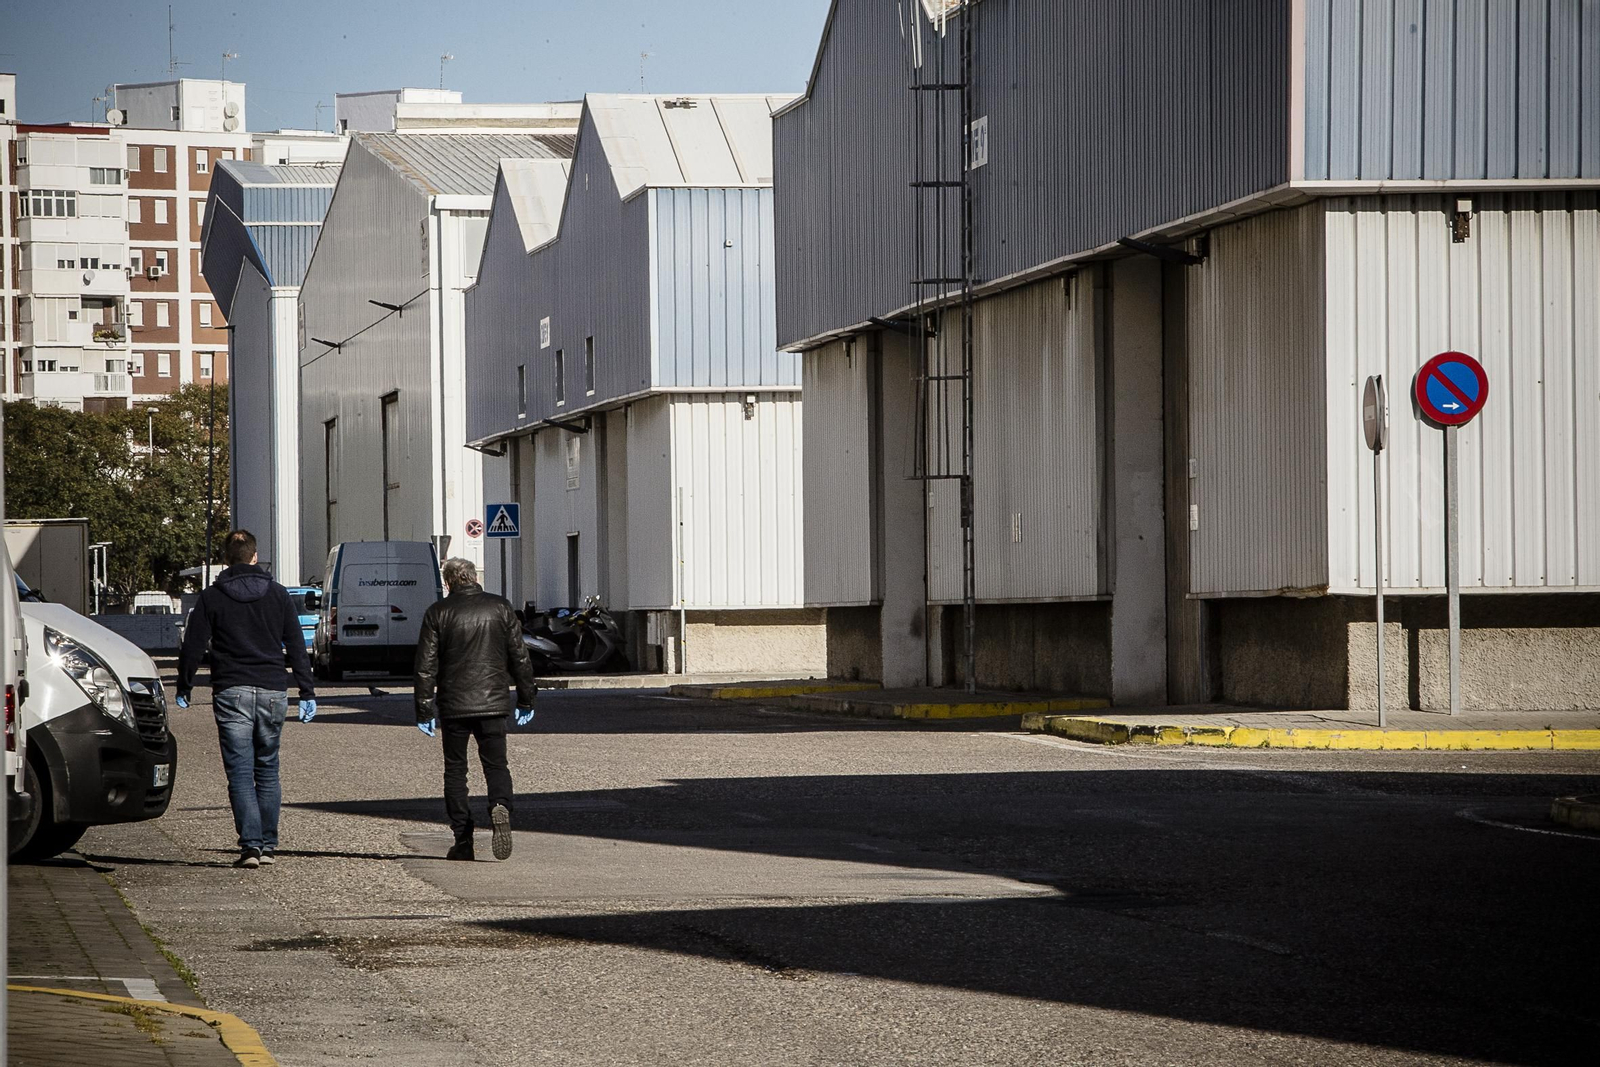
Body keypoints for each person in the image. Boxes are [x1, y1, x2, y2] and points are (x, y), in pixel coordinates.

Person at [176, 530, 317, 869]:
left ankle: (251, 847)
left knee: (240, 772)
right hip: (271, 689)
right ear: (255, 557)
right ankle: (269, 845)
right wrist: (306, 690)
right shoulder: (278, 594)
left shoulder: (211, 597)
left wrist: (184, 686)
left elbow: (194, 645)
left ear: (227, 559)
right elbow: (296, 645)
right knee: (267, 769)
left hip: (231, 690)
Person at [413, 557, 536, 862]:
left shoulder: (437, 612)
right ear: (473, 577)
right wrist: (526, 698)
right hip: (493, 703)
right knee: (496, 765)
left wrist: (424, 709)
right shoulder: (500, 607)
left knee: (456, 771)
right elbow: (519, 656)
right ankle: (500, 805)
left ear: (448, 582)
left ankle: (462, 838)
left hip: (454, 704)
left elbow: (425, 667)